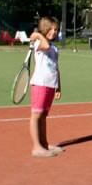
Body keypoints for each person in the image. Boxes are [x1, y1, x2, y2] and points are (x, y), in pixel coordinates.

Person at [28, 16, 64, 158]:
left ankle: (44, 144)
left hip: (50, 85)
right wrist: (37, 34)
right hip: (40, 85)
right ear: (44, 29)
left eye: (56, 29)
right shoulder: (38, 44)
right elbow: (46, 46)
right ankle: (36, 147)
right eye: (51, 29)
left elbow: (56, 68)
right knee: (36, 115)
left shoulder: (55, 48)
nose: (54, 32)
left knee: (43, 116)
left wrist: (58, 87)